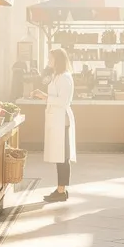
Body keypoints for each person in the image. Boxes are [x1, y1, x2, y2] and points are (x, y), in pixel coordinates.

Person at [32, 49, 76, 203]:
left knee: (63, 156)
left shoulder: (65, 77)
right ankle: (60, 189)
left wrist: (45, 96)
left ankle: (61, 191)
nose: (48, 61)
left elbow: (63, 101)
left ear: (58, 60)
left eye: (50, 58)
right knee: (59, 156)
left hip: (62, 121)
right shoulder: (56, 76)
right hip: (56, 120)